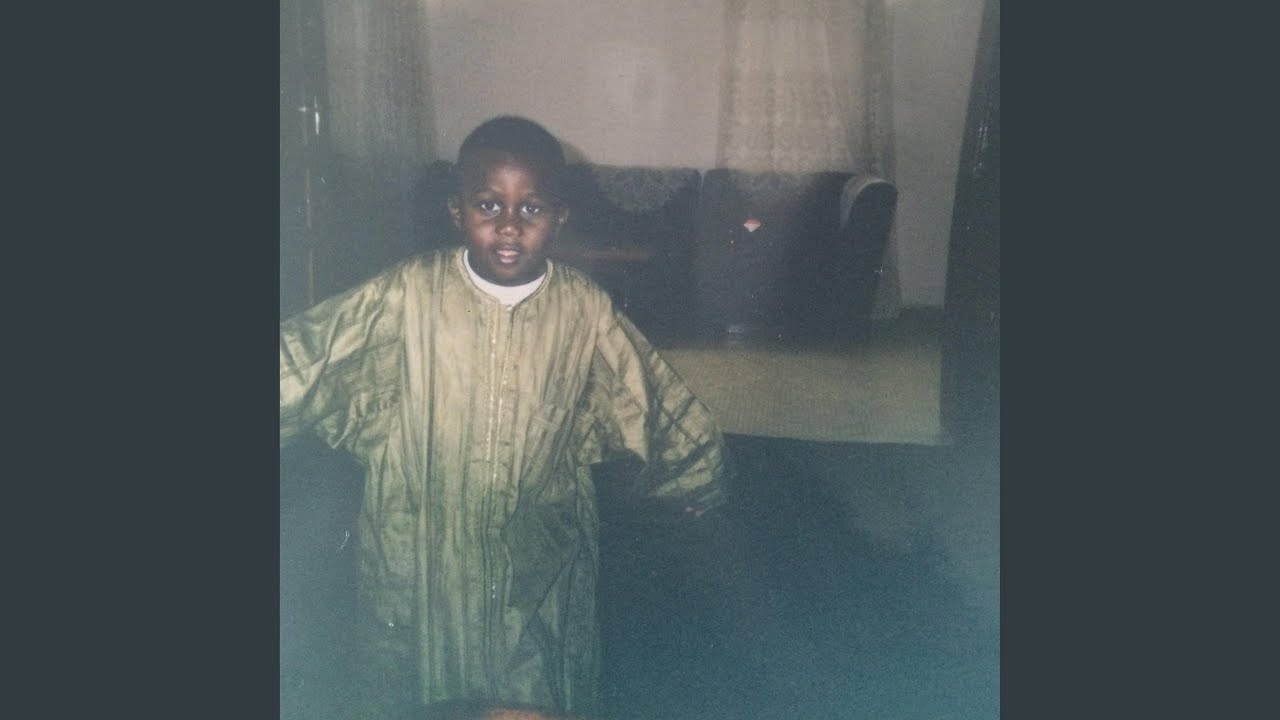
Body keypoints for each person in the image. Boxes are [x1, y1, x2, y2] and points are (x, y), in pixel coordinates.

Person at [279, 115, 729, 719]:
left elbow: (647, 392)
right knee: (418, 690)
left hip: (538, 550)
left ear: (559, 217)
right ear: (457, 211)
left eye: (531, 208)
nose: (510, 224)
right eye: (489, 205)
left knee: (528, 689)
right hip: (421, 549)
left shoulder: (584, 309)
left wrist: (697, 476)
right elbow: (310, 355)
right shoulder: (407, 293)